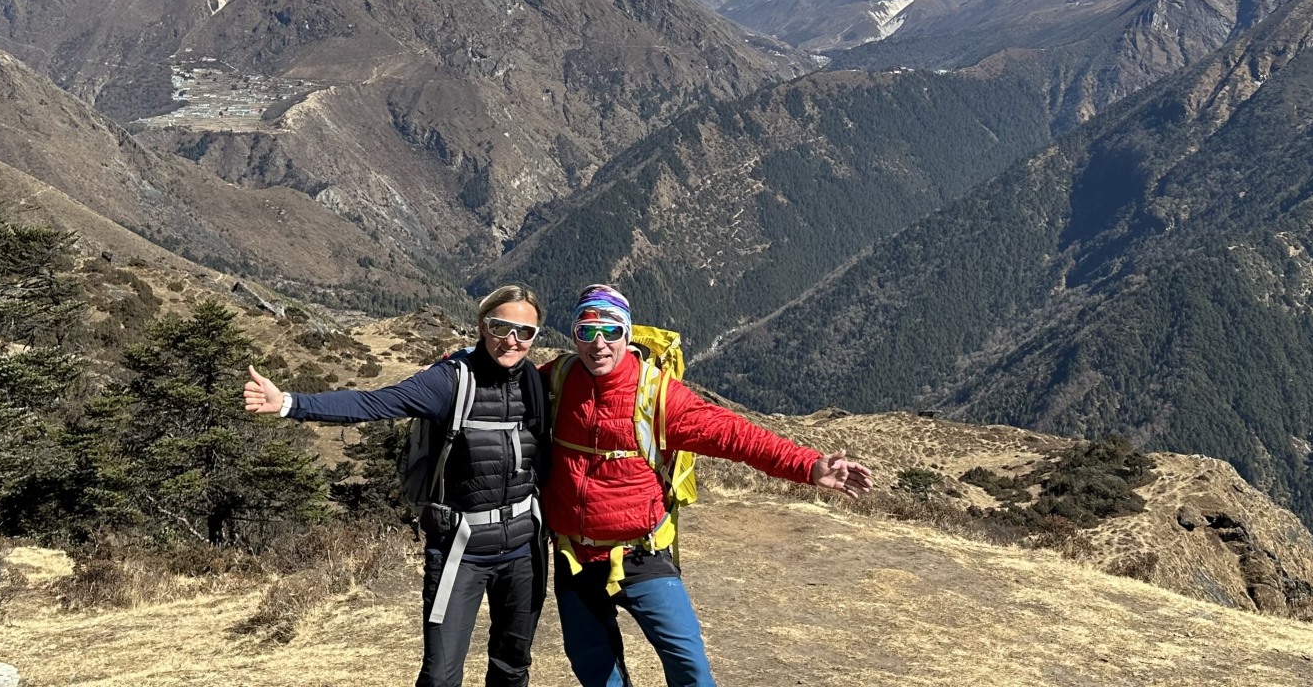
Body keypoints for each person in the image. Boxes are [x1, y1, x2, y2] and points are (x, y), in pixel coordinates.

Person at [542, 284, 874, 687]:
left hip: (641, 553)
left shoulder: (658, 397)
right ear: (572, 335)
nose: (598, 344)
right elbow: (497, 378)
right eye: (586, 331)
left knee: (689, 668)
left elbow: (736, 436)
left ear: (628, 335)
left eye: (610, 331)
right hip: (573, 556)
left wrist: (809, 466)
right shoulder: (555, 381)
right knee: (596, 671)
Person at [243, 285, 550, 687]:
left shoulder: (538, 383)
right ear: (482, 325)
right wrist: (288, 403)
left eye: (524, 332)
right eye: (500, 326)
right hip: (462, 552)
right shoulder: (449, 382)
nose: (511, 340)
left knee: (513, 668)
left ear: (534, 337)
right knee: (440, 676)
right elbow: (374, 403)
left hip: (524, 551)